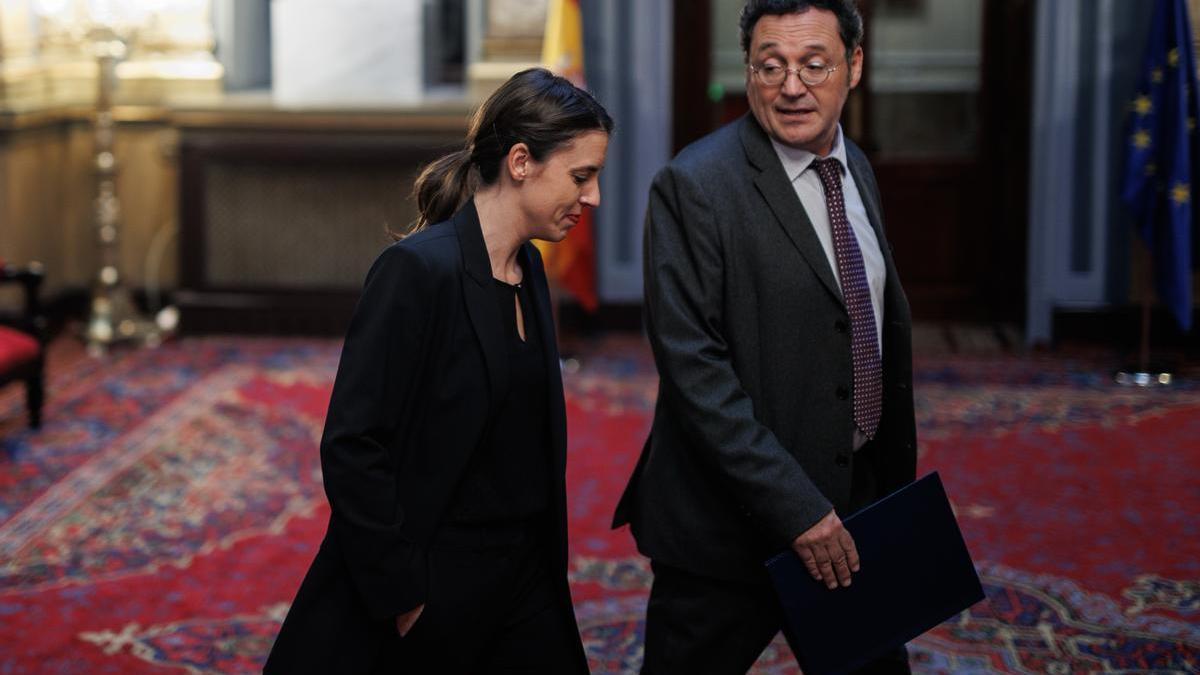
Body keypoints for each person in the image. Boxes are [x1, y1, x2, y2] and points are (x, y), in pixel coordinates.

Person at [266, 67, 612, 674]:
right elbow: (354, 444)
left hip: (526, 577)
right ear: (522, 161)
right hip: (434, 582)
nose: (593, 197)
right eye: (581, 177)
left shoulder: (529, 268)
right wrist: (402, 594)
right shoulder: (417, 272)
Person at [612, 1, 917, 673]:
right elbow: (697, 374)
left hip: (853, 507)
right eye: (771, 65)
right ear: (749, 71)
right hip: (726, 530)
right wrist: (797, 508)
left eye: (814, 64)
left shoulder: (854, 166)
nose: (792, 86)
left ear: (854, 66)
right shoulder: (694, 186)